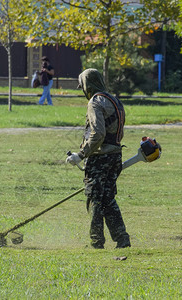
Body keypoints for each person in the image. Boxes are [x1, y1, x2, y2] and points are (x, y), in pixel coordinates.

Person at [66, 68, 131, 249]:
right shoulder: (114, 100)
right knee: (108, 198)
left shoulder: (95, 102)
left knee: (94, 198)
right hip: (115, 156)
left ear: (88, 85)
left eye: (83, 87)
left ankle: (96, 241)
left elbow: (98, 134)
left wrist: (80, 154)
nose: (82, 91)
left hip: (100, 158)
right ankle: (122, 238)